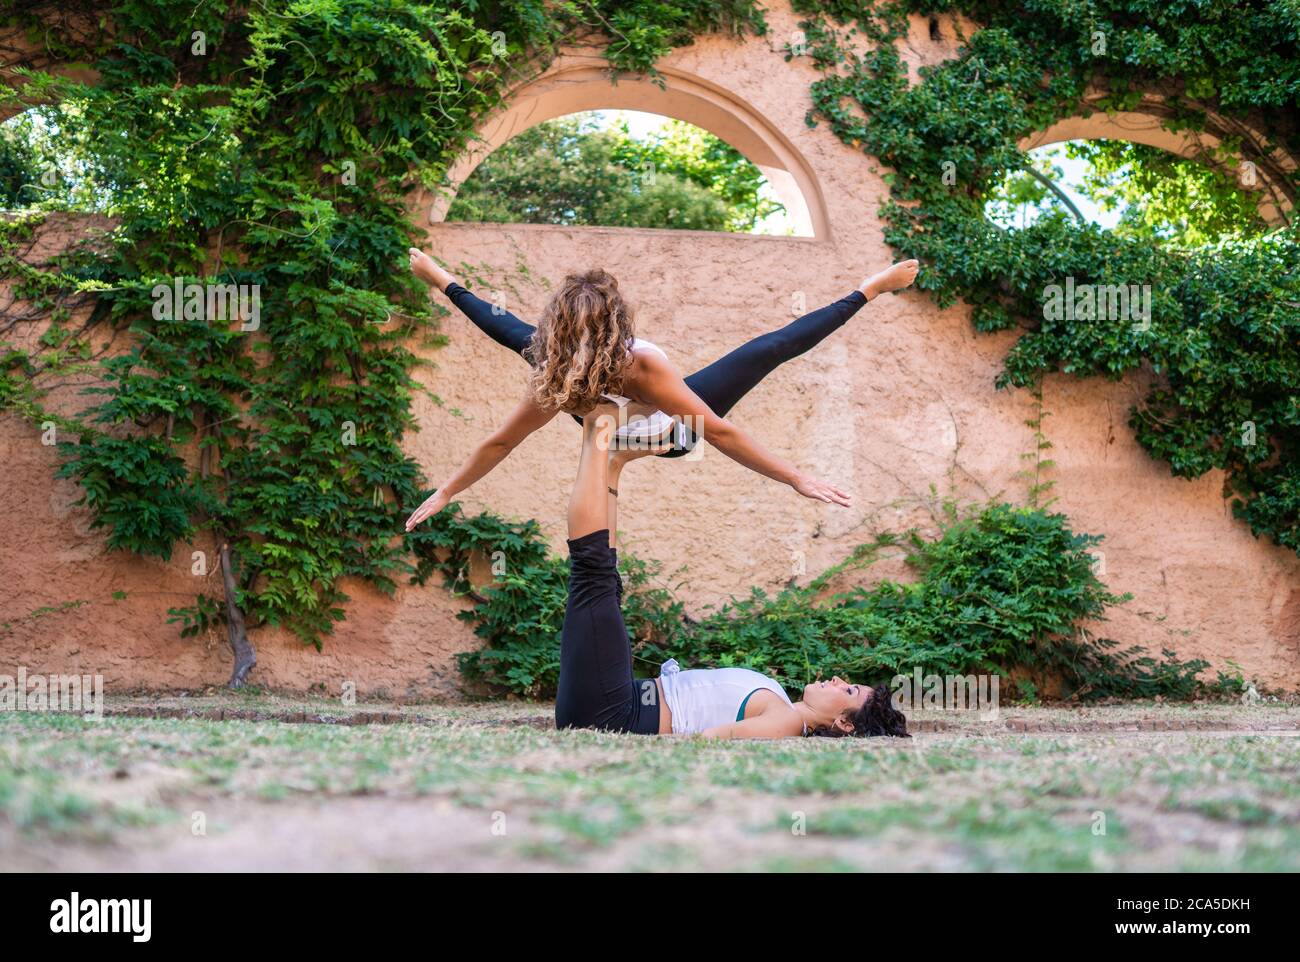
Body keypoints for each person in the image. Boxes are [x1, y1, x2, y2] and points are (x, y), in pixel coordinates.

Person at [403, 252, 919, 531]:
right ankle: (436, 275)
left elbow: (715, 430)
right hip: (608, 428)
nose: (578, 351)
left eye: (589, 340)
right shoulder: (551, 362)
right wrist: (448, 489)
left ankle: (869, 288)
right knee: (513, 335)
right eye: (569, 341)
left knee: (768, 348)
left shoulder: (643, 367)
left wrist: (795, 478)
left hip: (674, 434)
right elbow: (500, 439)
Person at [553, 406, 910, 739]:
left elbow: (699, 742)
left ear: (844, 723)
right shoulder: (782, 705)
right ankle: (611, 460)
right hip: (617, 698)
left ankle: (598, 427)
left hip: (612, 713)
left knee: (594, 574)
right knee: (602, 579)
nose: (837, 679)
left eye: (848, 690)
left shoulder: (787, 721)